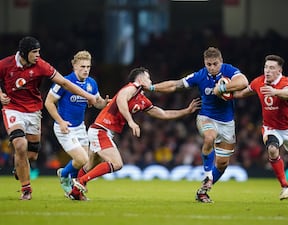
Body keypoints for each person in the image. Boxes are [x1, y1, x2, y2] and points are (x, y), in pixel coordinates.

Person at [68, 66, 201, 200]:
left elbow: (163, 113)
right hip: (101, 129)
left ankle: (75, 192)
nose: (150, 81)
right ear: (140, 78)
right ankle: (81, 181)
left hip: (102, 130)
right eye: (148, 78)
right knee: (116, 164)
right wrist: (131, 122)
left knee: (92, 164)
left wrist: (186, 111)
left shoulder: (142, 100)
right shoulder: (132, 87)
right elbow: (121, 99)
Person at [143, 47, 249, 203]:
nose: (212, 67)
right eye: (208, 64)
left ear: (221, 61)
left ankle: (203, 191)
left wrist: (222, 88)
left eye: (215, 64)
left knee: (222, 164)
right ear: (204, 63)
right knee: (209, 137)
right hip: (206, 117)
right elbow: (175, 85)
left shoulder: (229, 70)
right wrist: (152, 88)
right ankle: (207, 175)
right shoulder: (200, 75)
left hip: (227, 123)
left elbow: (244, 82)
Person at [0, 36, 97, 200]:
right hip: (13, 108)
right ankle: (26, 190)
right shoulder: (6, 64)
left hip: (33, 111)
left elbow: (65, 83)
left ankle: (20, 165)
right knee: (20, 145)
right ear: (24, 53)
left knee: (31, 156)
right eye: (35, 52)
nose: (38, 55)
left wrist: (88, 96)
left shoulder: (41, 66)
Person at [234, 54, 288, 200]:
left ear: (279, 70)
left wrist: (275, 91)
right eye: (266, 67)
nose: (267, 71)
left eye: (271, 68)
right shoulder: (259, 81)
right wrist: (226, 93)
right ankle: (284, 187)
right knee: (272, 149)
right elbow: (243, 93)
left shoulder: (285, 82)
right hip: (271, 128)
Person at [44, 50, 109, 196]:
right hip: (64, 127)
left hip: (80, 127)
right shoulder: (64, 82)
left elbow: (96, 102)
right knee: (82, 159)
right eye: (82, 67)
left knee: (85, 163)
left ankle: (75, 190)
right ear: (74, 66)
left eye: (88, 67)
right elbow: (48, 102)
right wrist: (60, 122)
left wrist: (104, 103)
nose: (86, 70)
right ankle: (64, 174)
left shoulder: (91, 83)